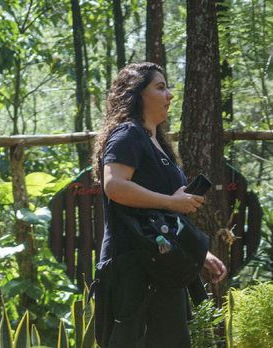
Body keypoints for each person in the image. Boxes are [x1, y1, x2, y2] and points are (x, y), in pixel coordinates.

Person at [91, 62, 227, 348]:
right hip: (132, 265)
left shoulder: (158, 143)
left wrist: (199, 253)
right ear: (137, 94)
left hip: (162, 264)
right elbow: (114, 186)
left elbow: (162, 214)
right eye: (160, 87)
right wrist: (170, 200)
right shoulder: (127, 134)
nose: (170, 95)